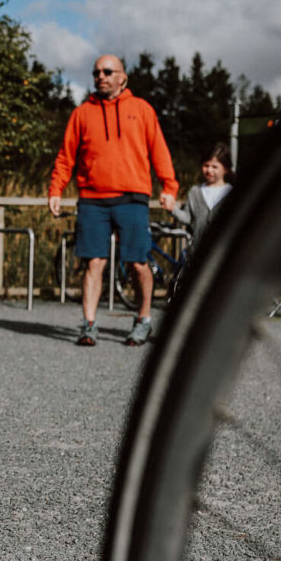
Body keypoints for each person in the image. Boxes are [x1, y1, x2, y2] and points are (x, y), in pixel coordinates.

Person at [48, 54, 178, 347]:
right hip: (92, 199)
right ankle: (89, 324)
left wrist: (169, 186)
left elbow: (159, 151)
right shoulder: (82, 113)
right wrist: (56, 189)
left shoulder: (141, 109)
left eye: (108, 71)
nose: (101, 77)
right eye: (96, 73)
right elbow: (66, 157)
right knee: (94, 262)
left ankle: (143, 319)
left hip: (132, 197)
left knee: (137, 262)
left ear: (123, 77)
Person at [172, 142, 235, 246]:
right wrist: (172, 209)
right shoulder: (195, 191)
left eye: (215, 167)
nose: (209, 170)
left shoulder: (231, 193)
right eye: (206, 165)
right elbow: (187, 218)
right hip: (198, 251)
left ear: (226, 169)